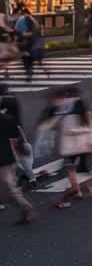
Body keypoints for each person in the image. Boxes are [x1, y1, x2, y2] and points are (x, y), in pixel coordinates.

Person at [0, 95, 34, 224]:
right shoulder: (9, 119)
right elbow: (15, 140)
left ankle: (26, 208)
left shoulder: (6, 119)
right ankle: (25, 208)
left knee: (8, 190)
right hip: (8, 157)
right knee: (8, 188)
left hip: (4, 160)